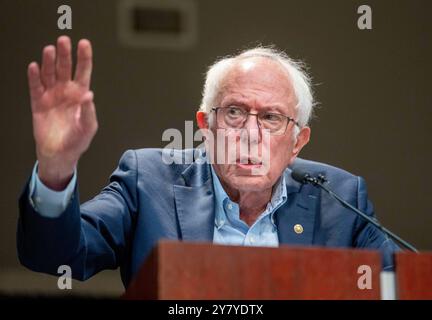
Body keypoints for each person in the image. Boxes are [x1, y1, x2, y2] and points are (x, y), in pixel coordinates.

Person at [17, 36, 399, 287]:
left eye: (270, 118)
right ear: (206, 125)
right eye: (234, 112)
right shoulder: (147, 180)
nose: (251, 132)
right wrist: (56, 168)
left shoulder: (340, 198)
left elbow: (399, 285)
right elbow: (56, 256)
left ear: (297, 141)